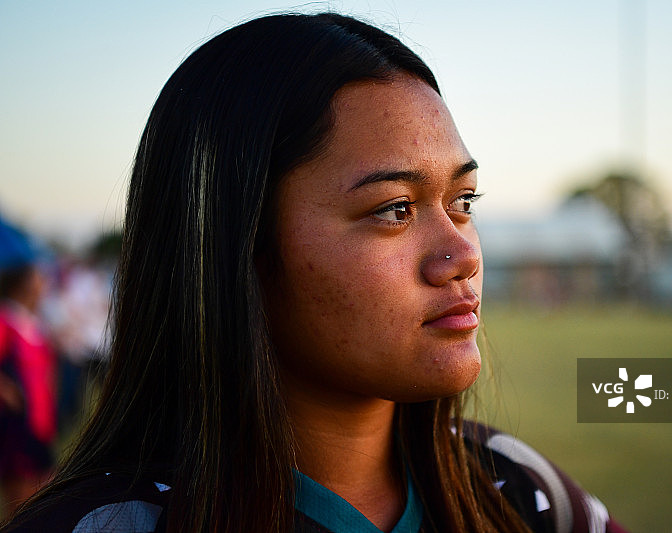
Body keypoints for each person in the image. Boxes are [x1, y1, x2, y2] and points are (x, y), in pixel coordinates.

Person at [2, 13, 626, 533]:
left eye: (463, 202)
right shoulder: (106, 525)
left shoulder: (517, 490)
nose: (461, 255)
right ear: (236, 245)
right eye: (395, 209)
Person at [0, 264, 57, 517]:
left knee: (44, 496)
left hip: (41, 422)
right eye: (37, 277)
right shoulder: (5, 319)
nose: (43, 282)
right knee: (21, 504)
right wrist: (7, 391)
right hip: (17, 424)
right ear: (21, 282)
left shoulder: (34, 322)